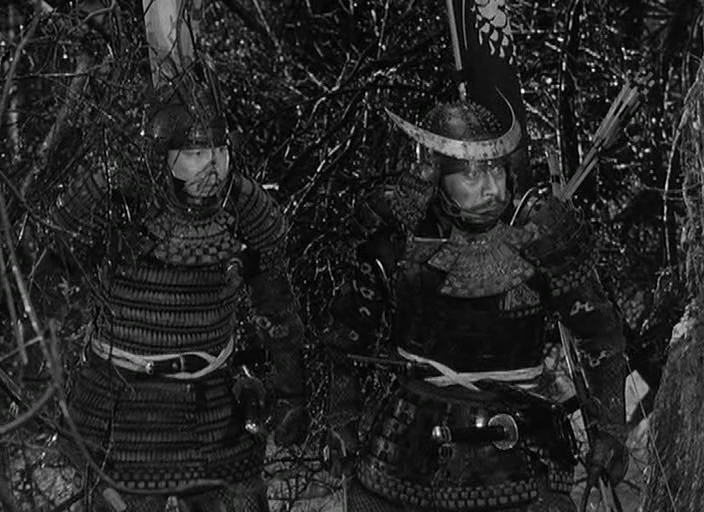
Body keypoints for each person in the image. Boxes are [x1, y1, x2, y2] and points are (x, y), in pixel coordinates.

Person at [321, 94, 629, 511]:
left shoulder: (540, 239)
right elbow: (348, 335)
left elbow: (599, 335)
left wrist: (609, 429)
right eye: (470, 174)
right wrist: (342, 418)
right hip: (406, 450)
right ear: (436, 177)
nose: (490, 189)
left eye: (495, 170)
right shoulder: (398, 241)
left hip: (521, 451)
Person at [45, 63, 308, 511]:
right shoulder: (121, 200)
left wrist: (291, 392)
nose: (213, 167)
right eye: (196, 153)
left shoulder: (243, 208)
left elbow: (276, 311)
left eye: (220, 151)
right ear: (163, 155)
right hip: (128, 407)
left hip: (214, 403)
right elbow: (55, 268)